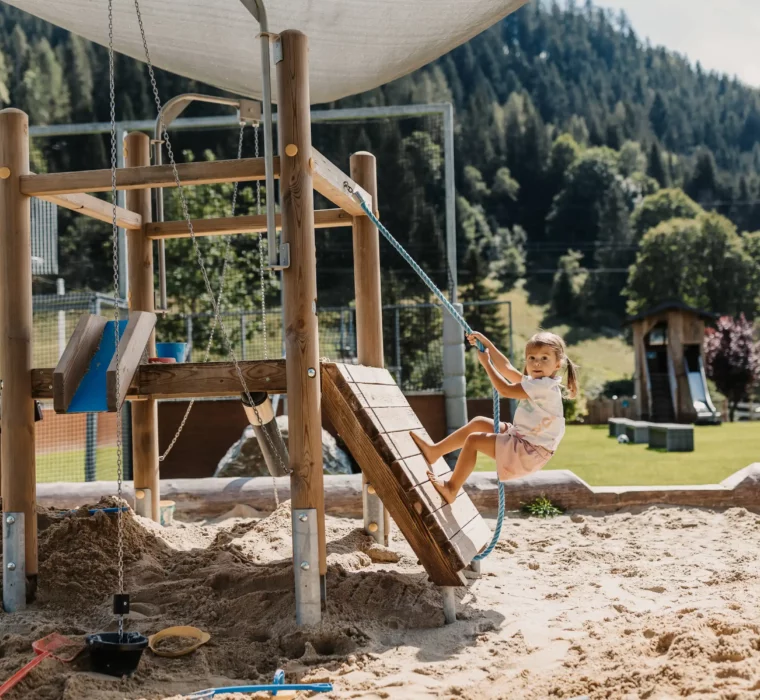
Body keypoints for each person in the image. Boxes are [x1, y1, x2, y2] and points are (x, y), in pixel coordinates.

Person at [410, 330, 578, 505]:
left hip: (528, 451)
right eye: (532, 358)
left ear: (557, 364)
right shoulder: (536, 382)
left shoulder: (543, 387)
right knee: (479, 423)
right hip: (524, 440)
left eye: (544, 358)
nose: (537, 363)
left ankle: (452, 488)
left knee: (474, 440)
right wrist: (486, 343)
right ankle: (434, 452)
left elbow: (505, 390)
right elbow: (507, 368)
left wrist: (486, 363)